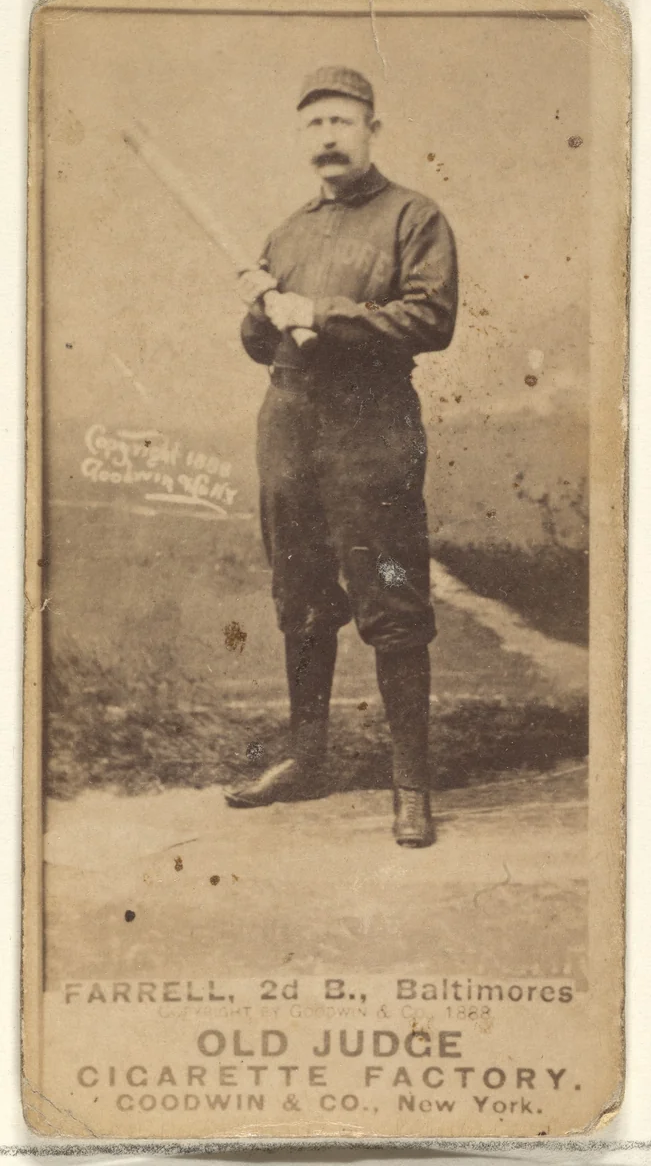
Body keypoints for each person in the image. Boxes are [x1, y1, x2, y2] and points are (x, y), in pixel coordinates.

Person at [225, 66, 458, 847]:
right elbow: (261, 346)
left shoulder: (412, 217)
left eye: (341, 121)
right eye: (314, 123)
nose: (327, 136)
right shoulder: (286, 232)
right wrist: (261, 311)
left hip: (371, 428)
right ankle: (305, 759)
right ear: (303, 136)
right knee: (299, 593)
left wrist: (319, 312)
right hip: (290, 425)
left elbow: (430, 319)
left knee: (390, 594)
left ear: (370, 130)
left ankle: (411, 784)